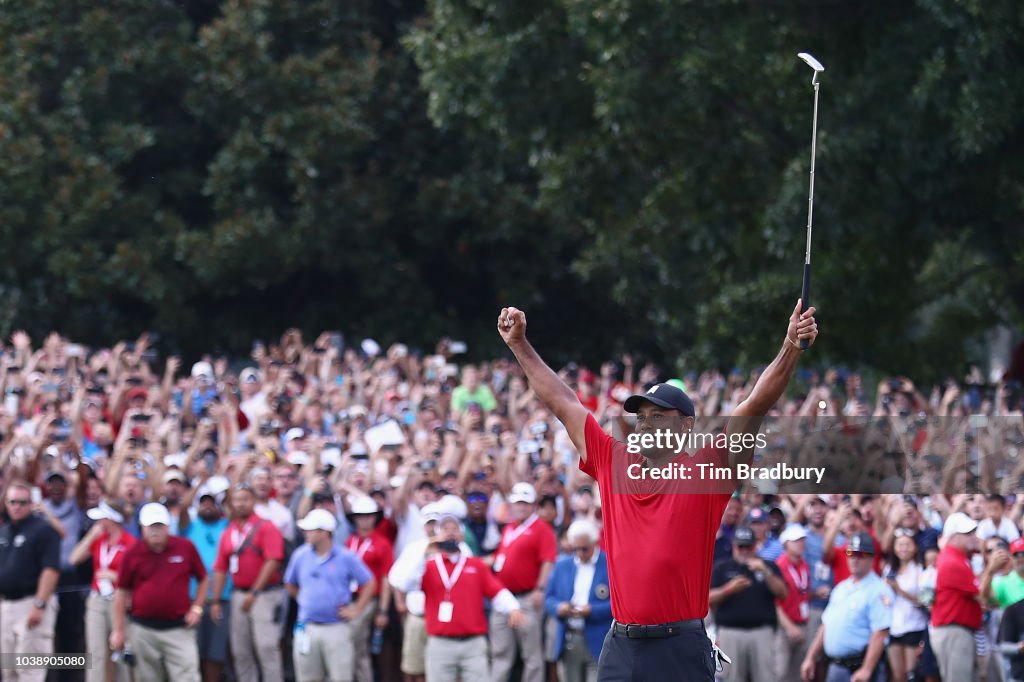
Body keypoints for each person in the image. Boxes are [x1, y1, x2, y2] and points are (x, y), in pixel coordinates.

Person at [496, 301, 818, 680]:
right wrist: (519, 344)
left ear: (686, 426)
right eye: (641, 417)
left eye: (657, 416)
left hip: (679, 647)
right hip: (621, 645)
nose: (645, 424)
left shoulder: (708, 470)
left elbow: (755, 405)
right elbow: (564, 402)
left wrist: (790, 347)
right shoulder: (613, 461)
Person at [395, 513, 527, 682]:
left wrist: (512, 607)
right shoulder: (429, 566)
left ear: (462, 534)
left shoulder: (475, 565)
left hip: (472, 643)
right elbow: (406, 584)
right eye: (445, 529)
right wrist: (425, 553)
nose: (450, 533)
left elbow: (496, 590)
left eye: (454, 529)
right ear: (437, 533)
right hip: (440, 642)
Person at [110, 502, 207, 681]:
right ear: (142, 528)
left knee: (188, 676)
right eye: (151, 526)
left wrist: (197, 608)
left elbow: (203, 578)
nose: (155, 531)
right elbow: (121, 592)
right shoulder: (132, 553)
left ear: (168, 526)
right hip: (143, 629)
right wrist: (119, 630)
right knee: (147, 677)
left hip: (179, 628)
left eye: (159, 526)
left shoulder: (185, 547)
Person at [284, 509, 377, 682]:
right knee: (307, 678)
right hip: (307, 626)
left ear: (324, 532)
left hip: (337, 627)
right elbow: (290, 583)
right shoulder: (300, 555)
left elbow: (369, 582)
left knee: (340, 677)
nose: (306, 533)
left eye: (310, 530)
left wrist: (356, 610)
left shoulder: (345, 556)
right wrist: (304, 600)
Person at [389, 501, 473, 682]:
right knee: (415, 668)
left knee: (449, 671)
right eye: (429, 523)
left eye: (437, 524)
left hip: (450, 621)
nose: (433, 528)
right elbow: (398, 580)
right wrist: (400, 602)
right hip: (420, 617)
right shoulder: (415, 548)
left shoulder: (462, 549)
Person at [210, 482, 286, 682]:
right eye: (236, 500)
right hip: (238, 594)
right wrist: (216, 599)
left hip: (264, 594)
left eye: (245, 499)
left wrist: (254, 592)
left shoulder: (266, 527)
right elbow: (220, 567)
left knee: (266, 647)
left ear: (253, 501)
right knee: (240, 649)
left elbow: (273, 561)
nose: (240, 504)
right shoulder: (229, 531)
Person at [800, 532, 894, 682]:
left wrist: (866, 669)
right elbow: (826, 625)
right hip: (836, 666)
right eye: (850, 553)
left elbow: (880, 633)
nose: (854, 559)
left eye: (860, 554)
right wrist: (810, 657)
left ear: (871, 558)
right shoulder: (841, 588)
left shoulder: (879, 590)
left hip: (860, 667)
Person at [490, 481, 557, 682]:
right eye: (518, 503)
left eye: (525, 503)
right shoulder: (509, 527)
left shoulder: (541, 528)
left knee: (531, 655)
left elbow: (548, 560)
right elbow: (501, 557)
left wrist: (540, 588)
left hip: (527, 597)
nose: (521, 507)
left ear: (533, 505)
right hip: (503, 598)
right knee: (501, 653)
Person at [0, 481, 61, 682]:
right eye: (12, 502)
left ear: (31, 503)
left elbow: (50, 570)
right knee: (9, 671)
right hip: (6, 605)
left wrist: (40, 604)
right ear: (6, 503)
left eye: (22, 502)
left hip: (31, 603)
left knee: (30, 671)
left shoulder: (43, 530)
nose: (17, 506)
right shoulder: (5, 531)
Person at [69, 498, 136, 682]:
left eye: (101, 519)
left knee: (120, 651)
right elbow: (74, 559)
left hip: (120, 600)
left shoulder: (130, 543)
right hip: (97, 599)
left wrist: (114, 576)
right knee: (95, 653)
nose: (98, 523)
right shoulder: (99, 540)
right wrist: (91, 536)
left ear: (111, 520)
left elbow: (137, 578)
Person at [709, 526, 787, 682]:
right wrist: (728, 589)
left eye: (748, 546)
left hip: (762, 633)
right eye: (740, 546)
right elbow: (707, 599)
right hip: (731, 633)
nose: (744, 550)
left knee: (766, 678)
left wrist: (766, 572)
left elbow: (783, 593)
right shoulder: (722, 567)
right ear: (734, 546)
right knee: (732, 678)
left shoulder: (767, 566)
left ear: (755, 545)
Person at [545, 519, 612, 682]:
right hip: (569, 636)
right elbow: (549, 598)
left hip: (599, 636)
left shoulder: (609, 564)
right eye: (575, 549)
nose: (580, 554)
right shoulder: (562, 565)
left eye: (584, 549)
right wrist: (558, 608)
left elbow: (619, 604)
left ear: (595, 542)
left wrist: (593, 610)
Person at [181, 490, 232, 682]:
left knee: (215, 652)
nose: (207, 506)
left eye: (211, 502)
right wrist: (199, 484)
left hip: (221, 598)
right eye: (203, 503)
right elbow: (183, 507)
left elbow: (235, 507)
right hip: (193, 598)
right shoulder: (189, 526)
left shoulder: (226, 526)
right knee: (192, 650)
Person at [929, 511, 983, 682]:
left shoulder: (958, 558)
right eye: (968, 534)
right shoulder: (953, 561)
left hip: (957, 631)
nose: (974, 537)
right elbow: (982, 594)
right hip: (954, 632)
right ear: (953, 537)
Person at [345, 496, 393, 682]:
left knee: (354, 640)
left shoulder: (382, 543)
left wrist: (383, 610)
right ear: (354, 518)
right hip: (350, 597)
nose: (364, 520)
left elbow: (386, 578)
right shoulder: (350, 541)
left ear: (375, 517)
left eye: (368, 516)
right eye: (360, 516)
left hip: (371, 599)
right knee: (357, 646)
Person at [883, 529, 927, 682]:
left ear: (915, 547)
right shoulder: (889, 569)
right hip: (894, 626)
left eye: (908, 544)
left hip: (914, 625)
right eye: (900, 544)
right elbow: (884, 596)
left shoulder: (919, 569)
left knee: (912, 674)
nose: (904, 548)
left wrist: (899, 590)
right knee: (897, 675)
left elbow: (923, 600)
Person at [775, 524, 812, 682]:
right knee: (780, 673)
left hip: (802, 624)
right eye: (796, 540)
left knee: (797, 675)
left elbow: (801, 592)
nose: (800, 543)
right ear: (786, 544)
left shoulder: (804, 565)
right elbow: (774, 603)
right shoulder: (779, 566)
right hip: (785, 628)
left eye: (802, 540)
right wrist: (789, 627)